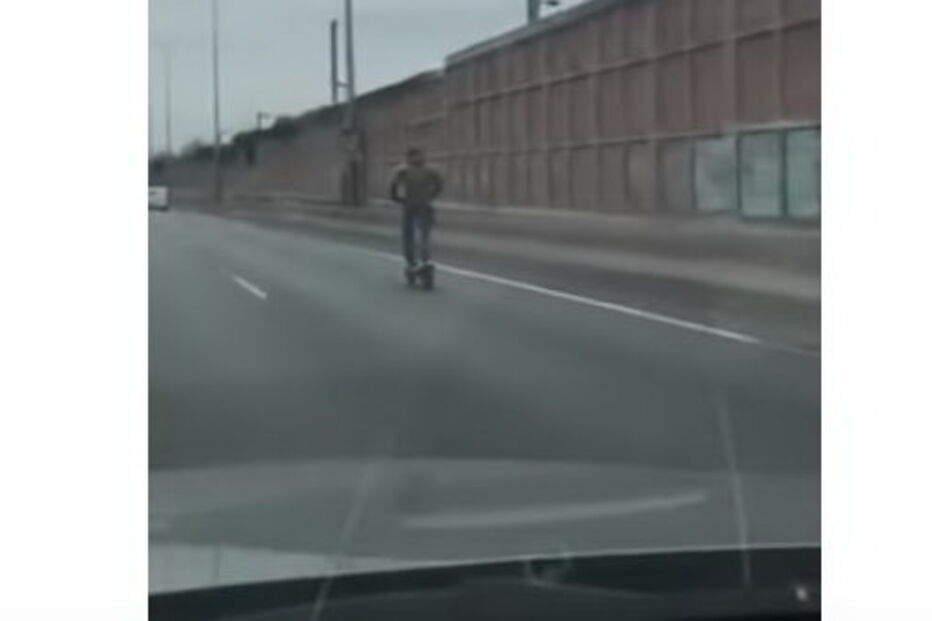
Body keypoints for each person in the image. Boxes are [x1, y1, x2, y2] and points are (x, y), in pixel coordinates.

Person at [389, 148, 444, 278]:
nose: (419, 158)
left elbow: (393, 187)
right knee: (422, 235)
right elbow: (439, 185)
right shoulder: (429, 171)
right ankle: (422, 260)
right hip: (422, 205)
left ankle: (414, 262)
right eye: (418, 156)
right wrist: (431, 196)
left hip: (412, 206)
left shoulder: (403, 171)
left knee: (412, 235)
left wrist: (398, 199)